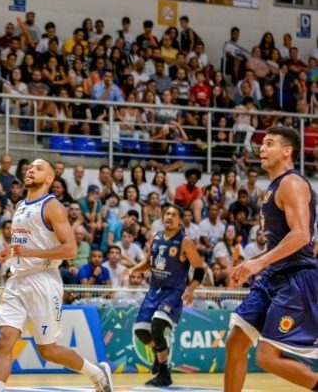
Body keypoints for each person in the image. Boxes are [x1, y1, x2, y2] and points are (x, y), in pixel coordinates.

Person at [0, 159, 112, 392]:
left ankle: (97, 373)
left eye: (39, 168)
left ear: (49, 179)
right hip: (17, 280)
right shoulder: (21, 205)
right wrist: (10, 252)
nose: (31, 170)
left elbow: (71, 250)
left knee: (48, 350)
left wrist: (30, 253)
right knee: (4, 340)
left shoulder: (53, 206)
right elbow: (26, 242)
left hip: (43, 279)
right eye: (30, 167)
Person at [226, 127, 318, 391]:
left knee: (266, 357)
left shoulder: (292, 183)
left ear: (287, 151)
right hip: (274, 275)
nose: (262, 149)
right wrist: (249, 263)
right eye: (262, 144)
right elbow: (278, 244)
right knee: (235, 342)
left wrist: (258, 263)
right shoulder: (272, 188)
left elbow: (301, 235)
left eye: (269, 144)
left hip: (296, 277)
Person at [125, 204, 206, 387]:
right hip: (154, 291)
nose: (169, 217)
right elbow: (148, 263)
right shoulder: (156, 237)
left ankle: (164, 373)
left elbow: (199, 268)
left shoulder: (185, 241)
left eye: (173, 214)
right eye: (167, 214)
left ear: (179, 220)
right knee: (140, 331)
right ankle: (160, 353)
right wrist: (132, 270)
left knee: (157, 327)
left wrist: (191, 289)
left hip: (173, 292)